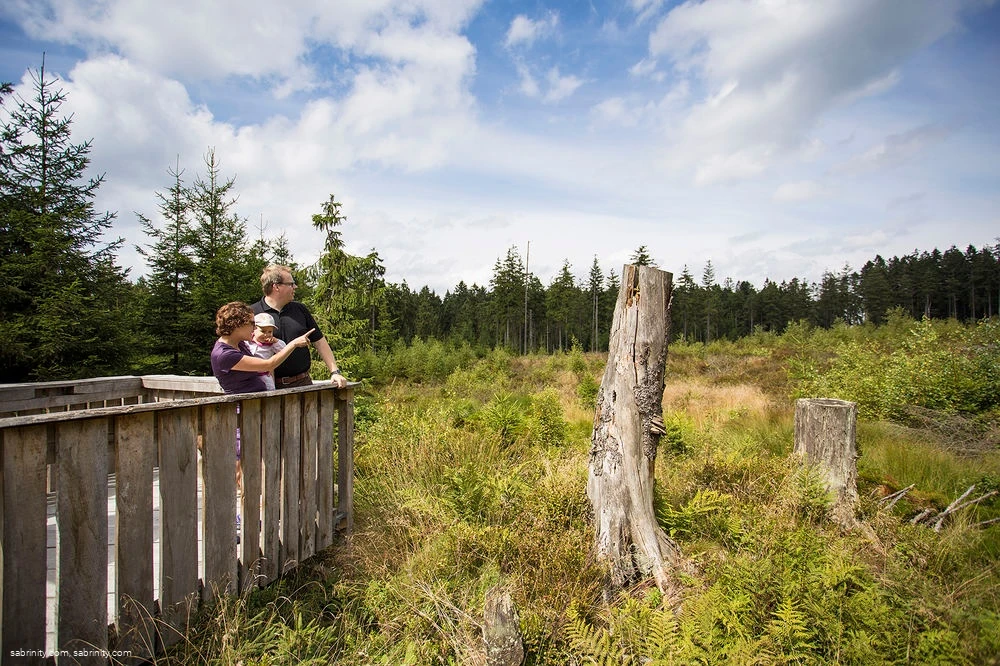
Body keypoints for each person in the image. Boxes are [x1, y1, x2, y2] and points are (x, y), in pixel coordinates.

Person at [251, 264, 348, 388]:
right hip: (267, 386)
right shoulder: (252, 313)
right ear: (276, 286)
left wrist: (335, 372)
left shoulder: (300, 309)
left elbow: (319, 342)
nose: (295, 287)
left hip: (302, 383)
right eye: (291, 284)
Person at [211, 301, 314, 394]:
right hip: (244, 409)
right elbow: (268, 365)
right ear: (237, 325)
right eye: (252, 323)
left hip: (256, 405)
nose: (255, 328)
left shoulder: (239, 343)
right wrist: (294, 344)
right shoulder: (224, 354)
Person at [247, 312, 286, 390]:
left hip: (265, 376)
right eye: (263, 331)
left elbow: (284, 350)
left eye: (270, 332)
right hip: (249, 376)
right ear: (254, 329)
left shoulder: (271, 344)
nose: (267, 334)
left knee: (269, 391)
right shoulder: (247, 341)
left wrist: (276, 341)